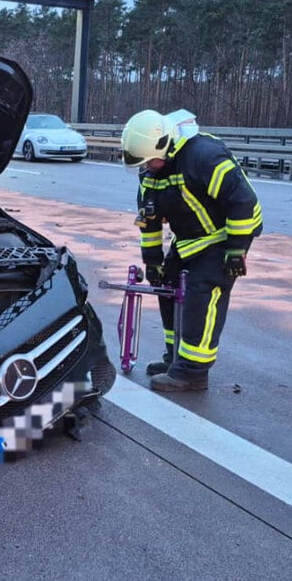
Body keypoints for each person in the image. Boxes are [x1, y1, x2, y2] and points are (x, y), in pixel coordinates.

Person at [121, 109, 263, 391]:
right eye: (144, 164)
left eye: (152, 161)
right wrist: (153, 261)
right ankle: (175, 359)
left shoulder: (203, 157)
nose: (149, 167)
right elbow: (149, 221)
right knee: (167, 288)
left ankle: (193, 372)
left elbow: (243, 203)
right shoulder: (151, 171)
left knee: (202, 292)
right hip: (189, 239)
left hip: (225, 234)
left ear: (167, 144)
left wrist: (236, 250)